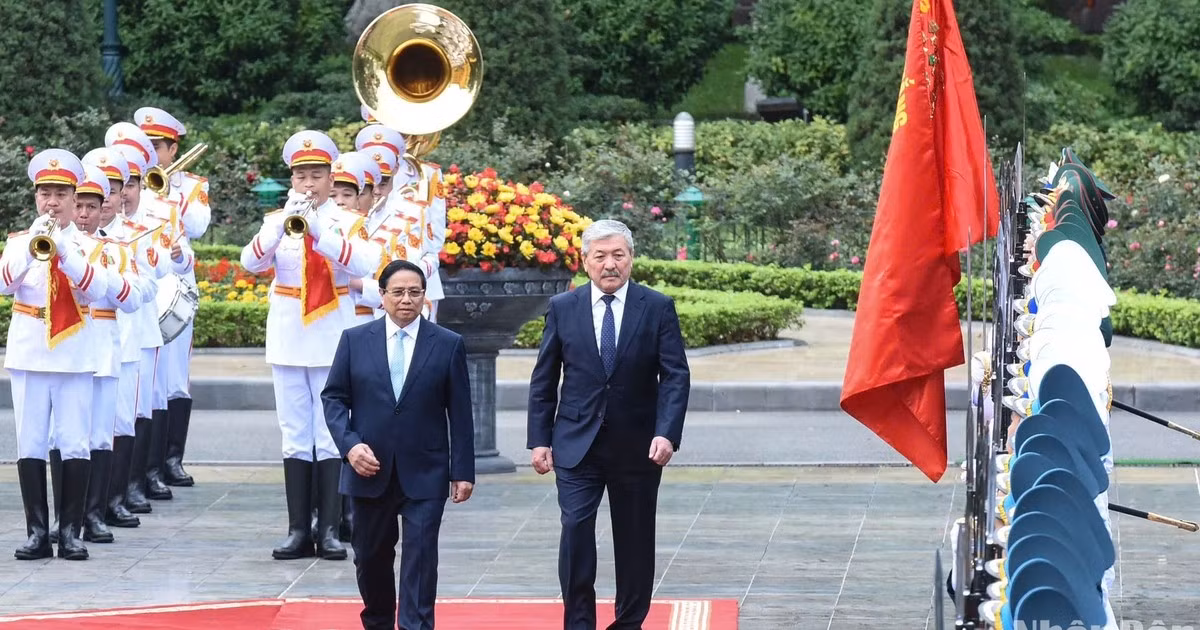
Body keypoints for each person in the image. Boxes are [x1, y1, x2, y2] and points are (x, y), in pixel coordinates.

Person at [526, 219, 690, 630]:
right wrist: (539, 440)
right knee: (576, 530)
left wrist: (666, 432)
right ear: (585, 262)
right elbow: (544, 379)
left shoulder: (656, 307)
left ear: (631, 259)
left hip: (638, 446)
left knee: (635, 541)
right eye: (600, 256)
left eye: (618, 255)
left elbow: (675, 376)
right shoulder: (564, 308)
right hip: (576, 444)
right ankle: (578, 621)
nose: (610, 264)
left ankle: (628, 622)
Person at [241, 130, 377, 561]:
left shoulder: (347, 222)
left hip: (331, 337)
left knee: (329, 433)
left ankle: (331, 528)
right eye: (301, 176)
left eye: (316, 176)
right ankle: (299, 529)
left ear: (329, 177)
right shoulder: (275, 222)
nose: (308, 184)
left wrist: (320, 231)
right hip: (287, 338)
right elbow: (251, 262)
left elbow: (365, 265)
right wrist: (283, 227)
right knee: (295, 435)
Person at [322, 259, 475, 630]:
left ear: (425, 296)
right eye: (398, 292)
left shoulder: (448, 344)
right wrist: (350, 446)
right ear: (382, 295)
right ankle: (377, 621)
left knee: (421, 558)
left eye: (415, 292)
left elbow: (461, 412)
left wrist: (462, 472)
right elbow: (334, 399)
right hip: (369, 468)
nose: (407, 300)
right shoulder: (356, 340)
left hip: (426, 470)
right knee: (370, 558)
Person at [2, 149, 110, 561]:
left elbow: (97, 290)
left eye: (61, 194)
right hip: (30, 351)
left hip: (74, 352)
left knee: (74, 442)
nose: (53, 202)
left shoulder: (88, 245)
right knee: (30, 442)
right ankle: (36, 532)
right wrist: (33, 247)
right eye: (45, 193)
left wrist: (64, 249)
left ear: (73, 196)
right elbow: (4, 283)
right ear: (35, 198)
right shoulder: (19, 242)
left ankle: (71, 532)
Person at [136, 106, 211, 490]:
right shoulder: (132, 182)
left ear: (172, 148)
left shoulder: (193, 186)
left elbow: (197, 227)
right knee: (147, 379)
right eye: (144, 146)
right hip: (146, 287)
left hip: (177, 287)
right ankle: (147, 467)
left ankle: (171, 459)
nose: (150, 155)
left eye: (156, 147)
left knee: (174, 377)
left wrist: (169, 193)